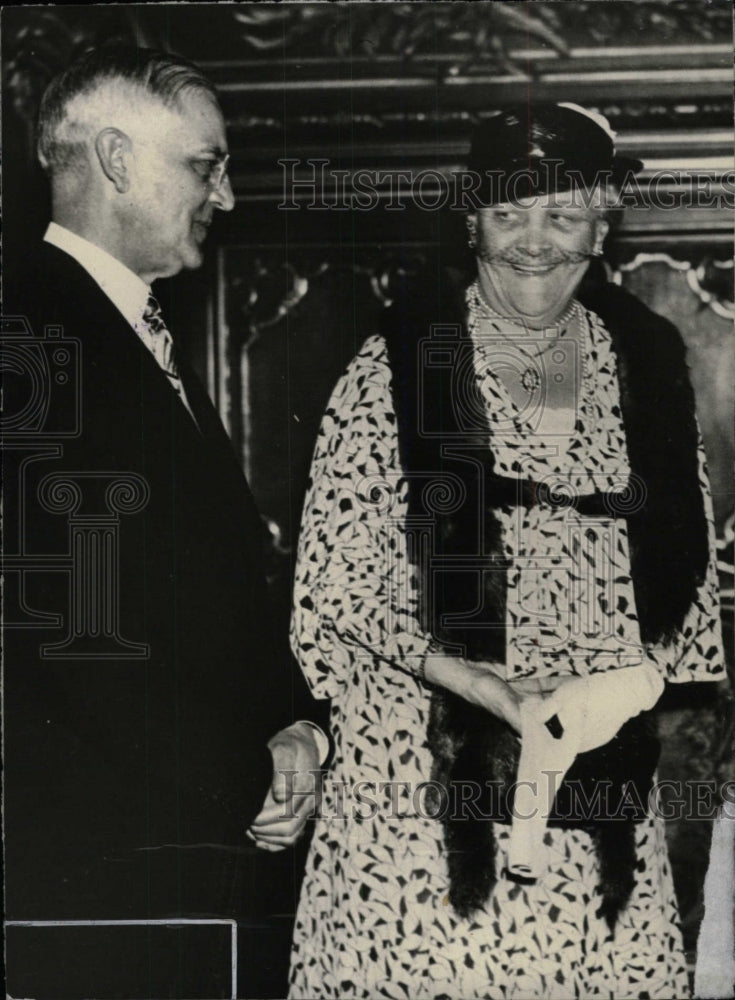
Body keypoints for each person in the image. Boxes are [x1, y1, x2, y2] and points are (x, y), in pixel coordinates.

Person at [288, 104, 726, 999]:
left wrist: (622, 686)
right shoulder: (394, 366)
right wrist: (476, 682)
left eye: (562, 216)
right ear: (470, 219)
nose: (534, 242)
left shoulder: (643, 367)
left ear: (602, 226)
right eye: (507, 213)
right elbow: (335, 582)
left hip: (590, 782)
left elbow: (685, 586)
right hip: (418, 786)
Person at [2, 45, 326, 999]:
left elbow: (208, 582)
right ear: (113, 157)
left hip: (172, 846)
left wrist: (295, 724)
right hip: (104, 869)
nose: (223, 197)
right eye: (204, 164)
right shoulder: (31, 337)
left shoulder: (134, 332)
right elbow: (78, 630)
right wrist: (245, 766)